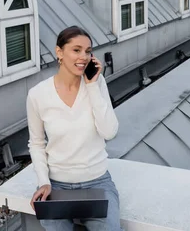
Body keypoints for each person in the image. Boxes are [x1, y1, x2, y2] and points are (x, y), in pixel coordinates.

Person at [26, 26, 121, 231]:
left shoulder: (97, 84)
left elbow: (109, 132)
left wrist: (93, 86)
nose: (84, 57)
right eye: (76, 50)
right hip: (56, 184)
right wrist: (43, 182)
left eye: (88, 51)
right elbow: (36, 143)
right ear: (59, 52)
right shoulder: (37, 95)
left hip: (97, 182)